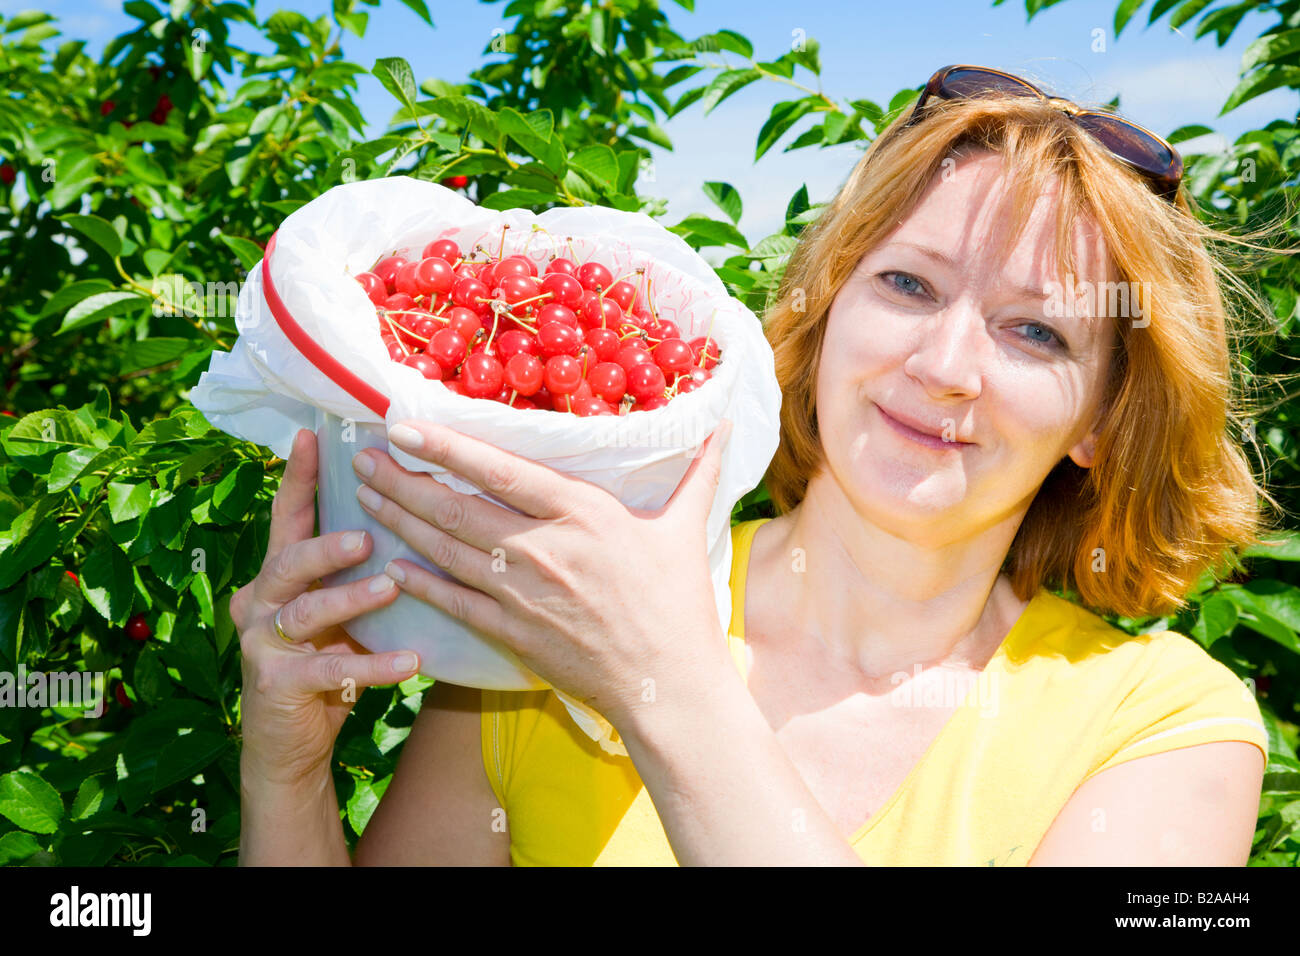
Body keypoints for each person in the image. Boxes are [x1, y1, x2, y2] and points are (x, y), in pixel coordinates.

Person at [234, 65, 1286, 866]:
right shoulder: (553, 618)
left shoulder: (1168, 724)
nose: (947, 365)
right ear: (827, 309)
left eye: (1038, 334)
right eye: (910, 286)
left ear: (1099, 423)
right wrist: (285, 771)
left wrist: (664, 680)